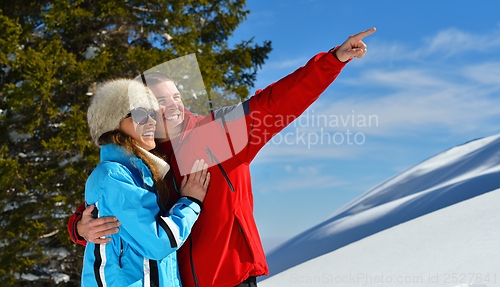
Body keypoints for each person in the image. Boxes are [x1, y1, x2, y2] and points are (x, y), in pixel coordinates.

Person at [69, 28, 376, 287]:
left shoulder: (216, 132)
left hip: (231, 278)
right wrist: (79, 228)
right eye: (160, 101)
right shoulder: (141, 157)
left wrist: (334, 60)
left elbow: (276, 104)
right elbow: (111, 204)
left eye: (176, 96)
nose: (174, 105)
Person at [81, 78, 210, 286]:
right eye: (141, 114)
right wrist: (191, 202)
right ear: (112, 123)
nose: (151, 122)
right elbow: (159, 241)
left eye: (152, 114)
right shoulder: (112, 175)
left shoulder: (140, 175)